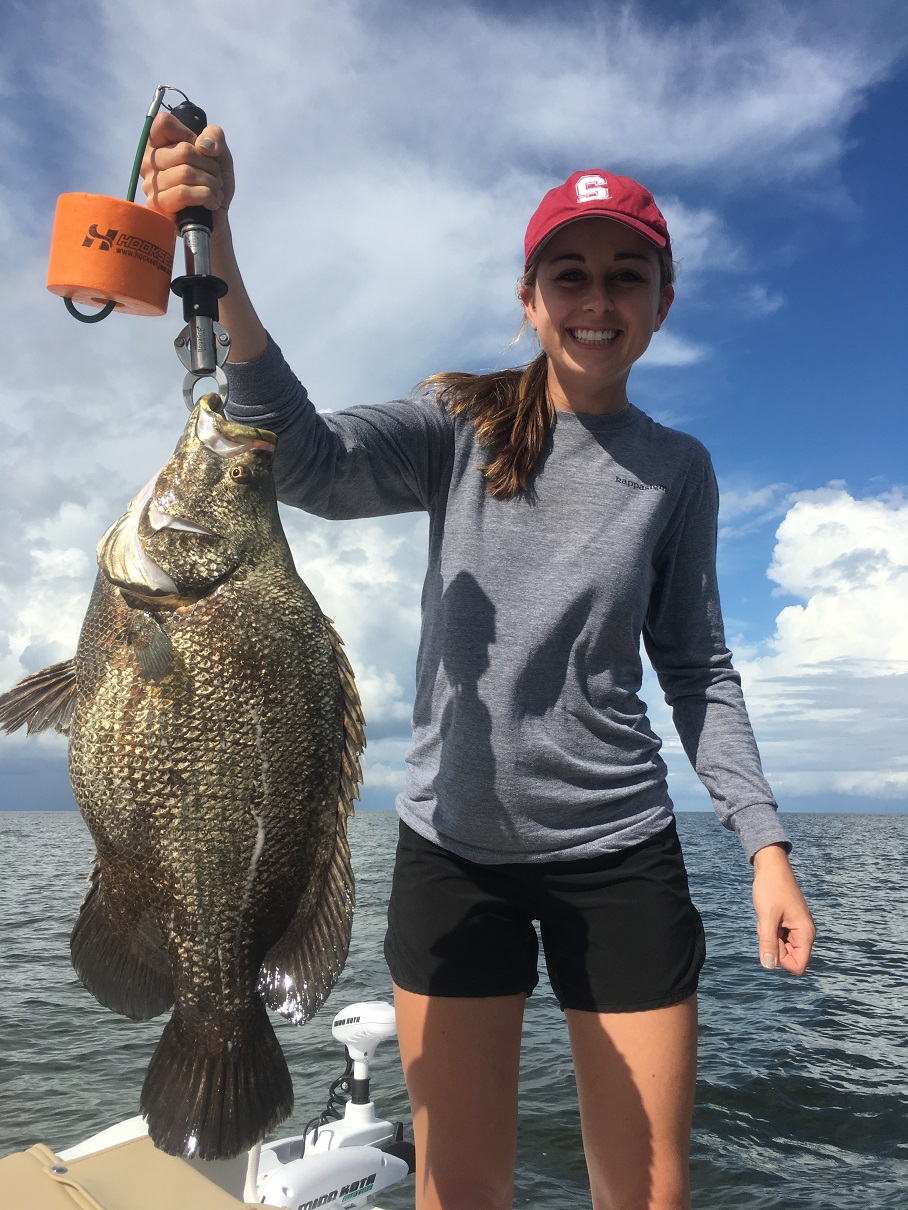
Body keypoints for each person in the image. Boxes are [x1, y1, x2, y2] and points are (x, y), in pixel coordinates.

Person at [142, 117, 816, 1210]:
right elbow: (305, 459)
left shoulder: (676, 471)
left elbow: (695, 668)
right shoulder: (459, 424)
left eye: (624, 276)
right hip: (451, 852)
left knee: (648, 1189)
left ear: (661, 301)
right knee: (457, 1187)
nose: (596, 301)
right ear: (528, 296)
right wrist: (214, 246)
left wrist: (765, 844)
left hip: (618, 850)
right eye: (569, 275)